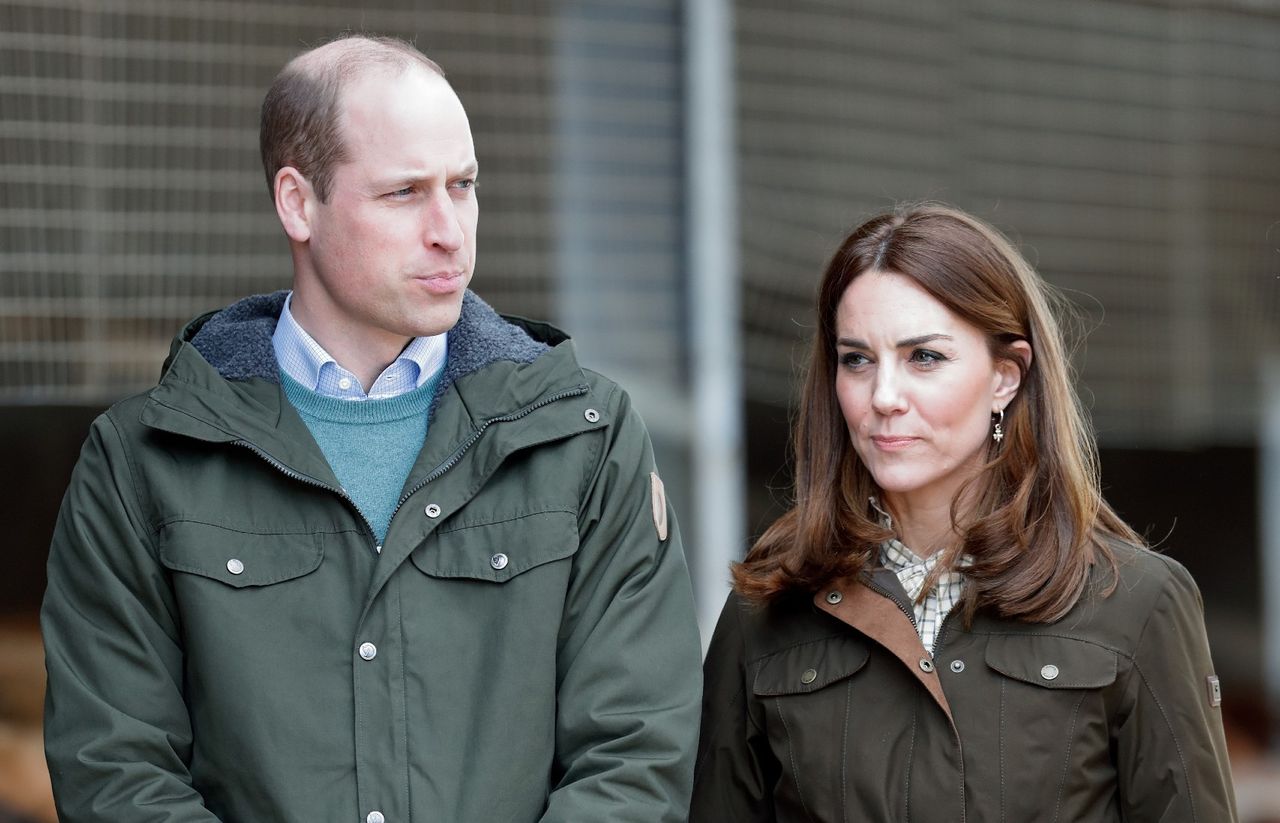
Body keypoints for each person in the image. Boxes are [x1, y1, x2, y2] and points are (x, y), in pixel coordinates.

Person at [42, 34, 702, 823]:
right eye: (404, 193)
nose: (450, 230)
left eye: (463, 186)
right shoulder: (142, 462)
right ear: (298, 203)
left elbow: (636, 753)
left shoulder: (583, 439)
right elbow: (116, 771)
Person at [690, 205, 1238, 822]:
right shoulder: (767, 609)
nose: (884, 397)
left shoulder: (1137, 603)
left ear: (1006, 377)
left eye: (924, 357)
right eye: (857, 359)